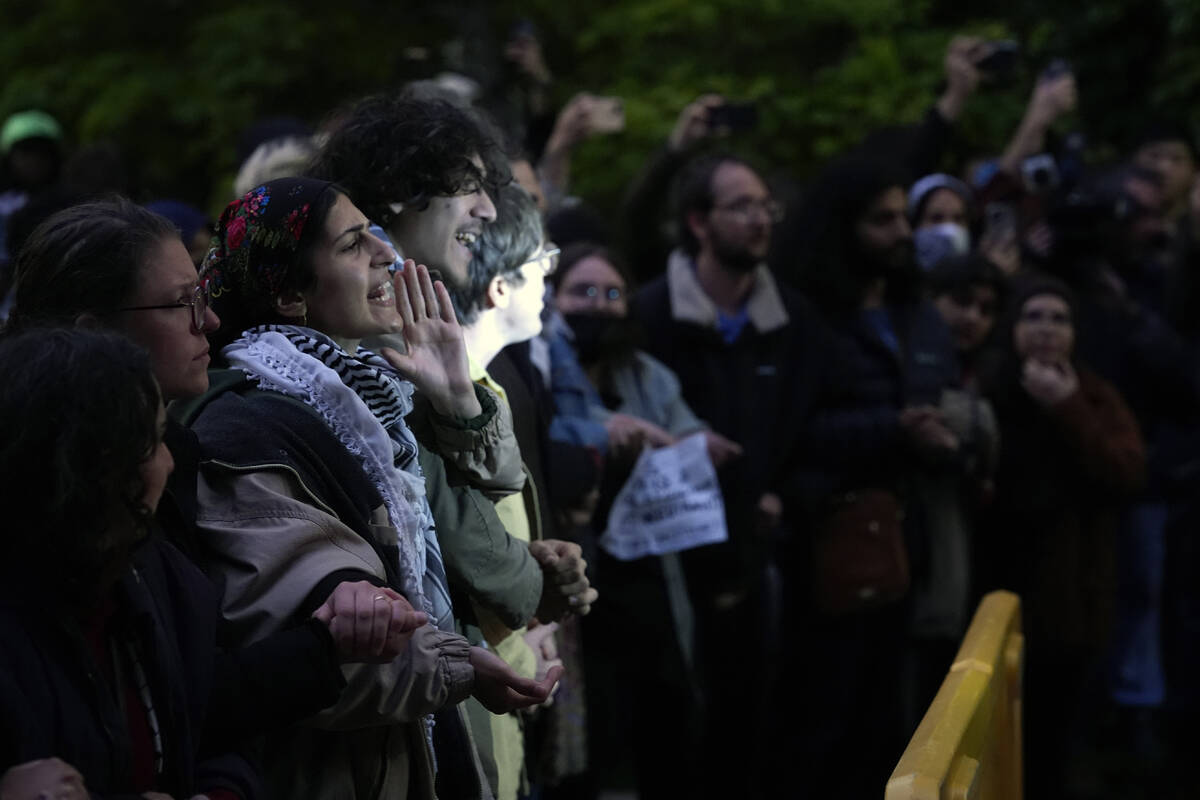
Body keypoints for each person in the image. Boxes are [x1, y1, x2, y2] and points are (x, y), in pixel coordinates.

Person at [6, 197, 433, 745]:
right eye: (182, 303)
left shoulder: (176, 456)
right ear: (95, 332)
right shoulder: (58, 510)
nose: (207, 320)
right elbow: (175, 706)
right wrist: (328, 641)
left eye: (202, 296)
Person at [194, 177, 564, 799]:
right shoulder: (255, 420)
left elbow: (496, 490)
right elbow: (318, 644)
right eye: (351, 244)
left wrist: (457, 398)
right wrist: (464, 660)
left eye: (376, 234)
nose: (386, 255)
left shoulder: (372, 393)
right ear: (288, 293)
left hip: (408, 743)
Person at [631, 152, 833, 798]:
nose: (759, 219)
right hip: (667, 558)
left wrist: (789, 494)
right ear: (698, 221)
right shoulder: (649, 316)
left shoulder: (796, 321)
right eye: (740, 205)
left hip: (764, 555)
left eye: (764, 205)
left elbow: (820, 427)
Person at [0, 327, 257, 799]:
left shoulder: (165, 583)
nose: (169, 464)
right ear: (93, 471)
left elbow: (216, 742)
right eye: (152, 443)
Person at [977, 277, 1146, 797]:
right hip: (994, 591)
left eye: (1059, 319)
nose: (1047, 330)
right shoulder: (990, 386)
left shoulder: (1093, 394)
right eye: (1034, 317)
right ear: (1013, 326)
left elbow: (1127, 472)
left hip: (1072, 600)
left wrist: (1067, 405)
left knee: (1053, 741)